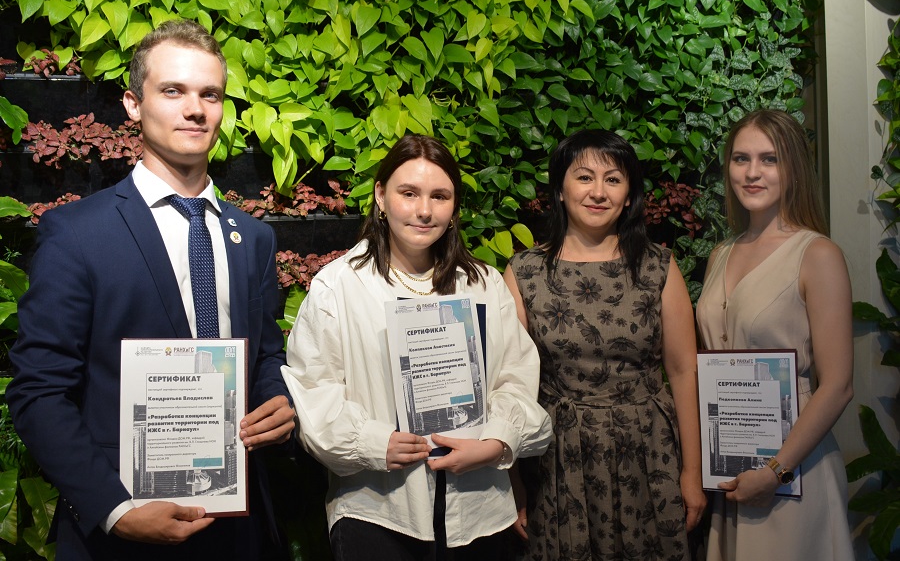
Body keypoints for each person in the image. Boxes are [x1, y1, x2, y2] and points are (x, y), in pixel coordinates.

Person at [6, 20, 295, 560]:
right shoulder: (77, 234)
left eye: (210, 94)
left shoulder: (253, 238)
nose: (195, 109)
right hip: (124, 532)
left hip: (239, 525)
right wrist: (115, 510)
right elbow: (39, 391)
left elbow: (265, 354)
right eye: (173, 91)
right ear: (133, 105)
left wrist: (279, 398)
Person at [281, 133, 552, 560]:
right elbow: (314, 391)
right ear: (381, 196)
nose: (424, 210)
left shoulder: (483, 284)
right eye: (408, 193)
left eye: (439, 196)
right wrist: (374, 442)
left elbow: (515, 379)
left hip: (479, 509)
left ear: (454, 208)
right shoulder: (339, 287)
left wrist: (496, 441)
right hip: (379, 511)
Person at [504, 129, 706, 560]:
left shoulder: (658, 267)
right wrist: (513, 480)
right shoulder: (524, 272)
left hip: (648, 451)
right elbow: (509, 386)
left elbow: (683, 371)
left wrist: (692, 471)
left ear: (629, 195)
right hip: (558, 458)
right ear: (560, 190)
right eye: (584, 177)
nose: (598, 192)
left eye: (613, 179)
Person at [695, 109, 854, 560]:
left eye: (769, 159)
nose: (752, 172)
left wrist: (776, 470)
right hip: (732, 464)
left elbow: (838, 385)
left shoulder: (817, 254)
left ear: (793, 167)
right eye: (740, 158)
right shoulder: (721, 254)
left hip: (794, 470)